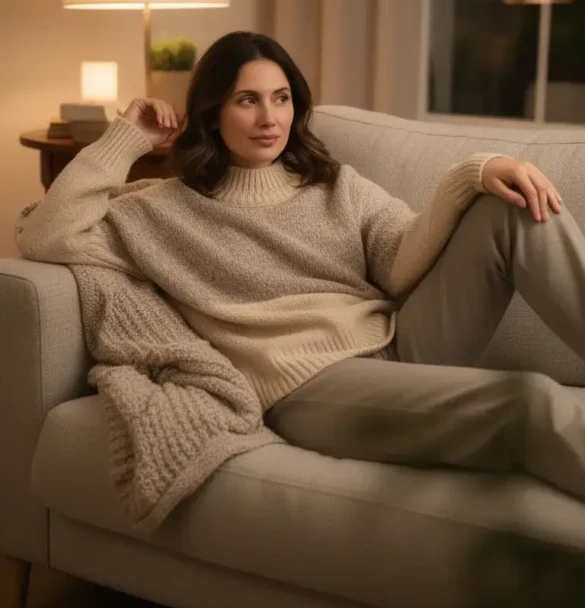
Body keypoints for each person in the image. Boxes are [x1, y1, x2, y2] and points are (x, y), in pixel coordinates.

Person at [15, 31, 585, 498]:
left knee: (512, 208)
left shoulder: (331, 183)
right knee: (530, 402)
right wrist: (126, 140)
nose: (269, 117)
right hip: (309, 388)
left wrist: (473, 173)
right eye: (248, 100)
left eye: (281, 98)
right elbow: (46, 233)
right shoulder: (160, 211)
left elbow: (402, 259)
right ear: (212, 114)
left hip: (399, 344)